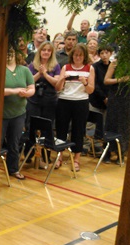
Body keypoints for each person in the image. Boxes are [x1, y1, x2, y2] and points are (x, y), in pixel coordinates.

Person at [0, 48, 35, 180]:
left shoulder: (25, 70)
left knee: (14, 143)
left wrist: (27, 93)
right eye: (6, 51)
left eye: (11, 51)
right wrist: (13, 91)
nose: (9, 54)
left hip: (18, 113)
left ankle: (13, 169)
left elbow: (32, 87)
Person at [55, 44, 95, 172]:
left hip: (81, 102)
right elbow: (58, 88)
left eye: (81, 55)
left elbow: (90, 90)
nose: (78, 57)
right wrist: (62, 79)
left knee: (78, 130)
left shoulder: (90, 68)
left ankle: (76, 159)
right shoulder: (65, 67)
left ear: (84, 56)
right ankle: (59, 156)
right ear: (72, 55)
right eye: (76, 55)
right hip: (64, 101)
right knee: (61, 129)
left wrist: (85, 82)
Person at [24, 41, 61, 167]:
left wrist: (45, 73)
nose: (46, 52)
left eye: (48, 50)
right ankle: (29, 155)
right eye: (44, 50)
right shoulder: (32, 65)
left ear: (51, 53)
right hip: (34, 100)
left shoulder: (55, 65)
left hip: (49, 101)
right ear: (39, 52)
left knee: (47, 129)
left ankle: (45, 157)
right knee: (31, 128)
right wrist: (39, 73)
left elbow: (56, 83)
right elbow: (28, 81)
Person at [103, 58, 130, 163]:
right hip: (116, 97)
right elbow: (106, 80)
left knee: (126, 125)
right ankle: (108, 152)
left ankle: (121, 153)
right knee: (112, 123)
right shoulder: (115, 62)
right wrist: (123, 79)